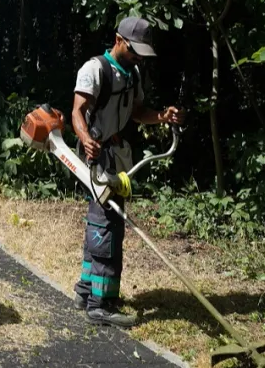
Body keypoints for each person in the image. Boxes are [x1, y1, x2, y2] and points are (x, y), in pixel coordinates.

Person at [70, 16, 182, 327]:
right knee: (107, 225)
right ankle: (101, 304)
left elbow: (137, 113)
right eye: (135, 51)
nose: (139, 58)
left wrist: (161, 117)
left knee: (102, 220)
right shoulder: (95, 70)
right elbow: (77, 111)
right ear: (119, 40)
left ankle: (85, 290)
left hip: (117, 156)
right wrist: (86, 139)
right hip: (96, 155)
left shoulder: (133, 73)